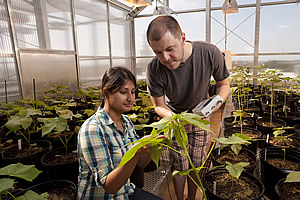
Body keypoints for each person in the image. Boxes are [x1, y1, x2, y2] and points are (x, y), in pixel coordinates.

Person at [146, 16, 230, 200]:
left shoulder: (209, 53)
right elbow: (159, 106)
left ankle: (192, 197)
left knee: (197, 163)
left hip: (201, 117)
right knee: (180, 165)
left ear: (182, 38)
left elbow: (224, 85)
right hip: (175, 119)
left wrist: (213, 104)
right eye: (158, 52)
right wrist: (173, 119)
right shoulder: (154, 69)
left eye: (170, 49)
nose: (165, 58)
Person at [77, 66, 164, 200]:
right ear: (106, 93)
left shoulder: (126, 122)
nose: (130, 98)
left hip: (127, 191)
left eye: (133, 92)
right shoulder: (93, 129)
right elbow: (109, 186)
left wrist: (149, 149)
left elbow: (141, 164)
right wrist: (136, 152)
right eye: (123, 92)